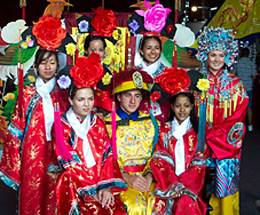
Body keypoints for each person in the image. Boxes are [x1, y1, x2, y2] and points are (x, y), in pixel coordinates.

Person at [55, 53, 127, 214]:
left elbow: (109, 156)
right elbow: (68, 160)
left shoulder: (97, 123)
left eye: (90, 99)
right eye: (81, 99)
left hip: (101, 180)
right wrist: (92, 188)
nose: (86, 104)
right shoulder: (61, 125)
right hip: (75, 182)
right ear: (71, 100)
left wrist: (105, 187)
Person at [0, 49, 68, 215]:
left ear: (58, 66)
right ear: (36, 67)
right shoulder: (26, 93)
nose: (48, 67)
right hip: (32, 154)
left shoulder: (63, 94)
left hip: (56, 153)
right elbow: (16, 130)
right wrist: (15, 161)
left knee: (54, 196)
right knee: (32, 195)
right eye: (43, 63)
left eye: (52, 63)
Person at [193, 27, 249, 215]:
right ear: (205, 56)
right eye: (212, 54)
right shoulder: (197, 81)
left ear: (227, 56)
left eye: (220, 55)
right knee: (196, 187)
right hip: (200, 144)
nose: (216, 59)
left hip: (226, 146)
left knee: (225, 189)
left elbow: (238, 118)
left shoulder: (236, 84)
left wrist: (212, 136)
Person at [150, 68, 208, 215]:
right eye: (178, 106)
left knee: (185, 203)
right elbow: (159, 160)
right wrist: (172, 184)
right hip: (166, 184)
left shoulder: (198, 132)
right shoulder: (164, 131)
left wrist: (183, 186)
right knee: (157, 205)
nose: (182, 110)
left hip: (190, 186)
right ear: (171, 106)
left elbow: (199, 165)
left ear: (192, 106)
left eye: (186, 106)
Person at [104, 69, 159, 215]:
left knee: (159, 201)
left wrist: (149, 176)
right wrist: (127, 178)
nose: (133, 101)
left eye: (137, 95)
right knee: (135, 206)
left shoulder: (151, 122)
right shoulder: (106, 124)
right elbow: (104, 160)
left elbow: (159, 154)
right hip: (121, 180)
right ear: (119, 97)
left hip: (148, 178)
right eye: (128, 95)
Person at [84, 34, 113, 117]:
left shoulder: (107, 73)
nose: (97, 53)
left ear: (104, 52)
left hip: (102, 113)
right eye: (93, 50)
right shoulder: (79, 70)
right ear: (86, 51)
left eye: (100, 50)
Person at [233, 47, 257, 131]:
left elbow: (233, 74)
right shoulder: (251, 63)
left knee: (239, 107)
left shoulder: (237, 63)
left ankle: (239, 127)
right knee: (249, 107)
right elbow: (254, 76)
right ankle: (250, 126)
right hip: (249, 87)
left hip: (239, 87)